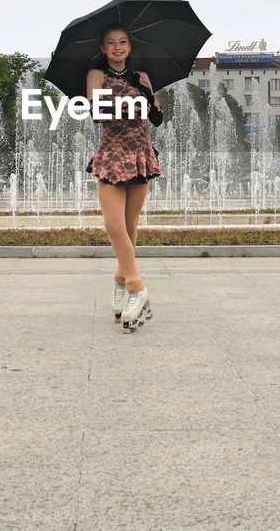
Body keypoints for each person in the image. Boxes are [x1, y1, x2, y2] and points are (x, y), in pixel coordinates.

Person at [86, 24, 162, 333]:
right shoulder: (95, 75)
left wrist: (147, 97)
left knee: (130, 226)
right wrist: (130, 102)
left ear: (129, 47)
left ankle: (120, 281)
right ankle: (136, 285)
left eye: (122, 42)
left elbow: (155, 116)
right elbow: (97, 110)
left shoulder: (142, 77)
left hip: (140, 151)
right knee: (113, 224)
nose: (117, 47)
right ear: (103, 48)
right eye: (110, 43)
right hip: (112, 153)